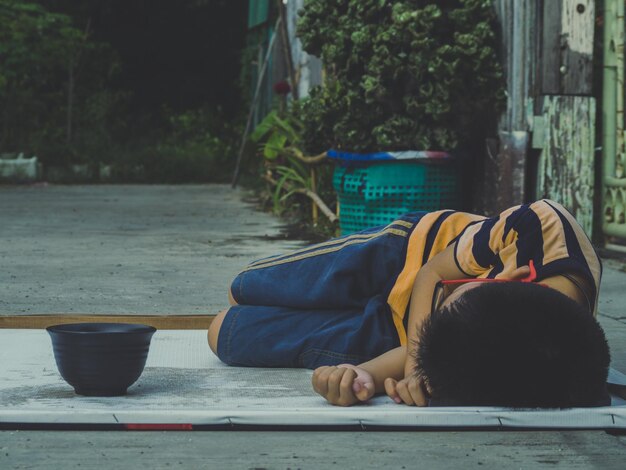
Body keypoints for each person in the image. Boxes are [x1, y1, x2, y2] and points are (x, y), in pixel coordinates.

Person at [208, 199, 611, 408]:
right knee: (241, 289)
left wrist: (359, 376)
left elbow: (441, 348)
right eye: (451, 304)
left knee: (222, 333)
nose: (441, 313)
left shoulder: (522, 360)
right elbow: (432, 276)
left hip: (399, 337)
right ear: (511, 277)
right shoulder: (539, 228)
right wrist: (417, 365)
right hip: (401, 256)